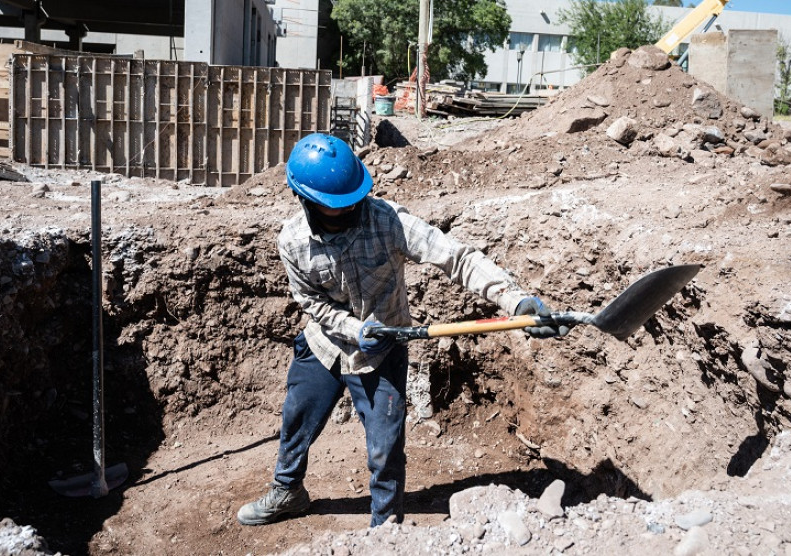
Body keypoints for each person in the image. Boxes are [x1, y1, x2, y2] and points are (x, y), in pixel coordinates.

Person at [236, 132, 564, 528]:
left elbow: (456, 258)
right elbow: (311, 302)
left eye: (357, 198)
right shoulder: (292, 242)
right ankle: (288, 491)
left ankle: (385, 529)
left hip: (382, 352)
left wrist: (514, 299)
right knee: (296, 421)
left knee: (385, 449)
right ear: (309, 202)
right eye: (342, 206)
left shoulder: (387, 221)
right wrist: (352, 327)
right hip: (324, 344)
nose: (355, 207)